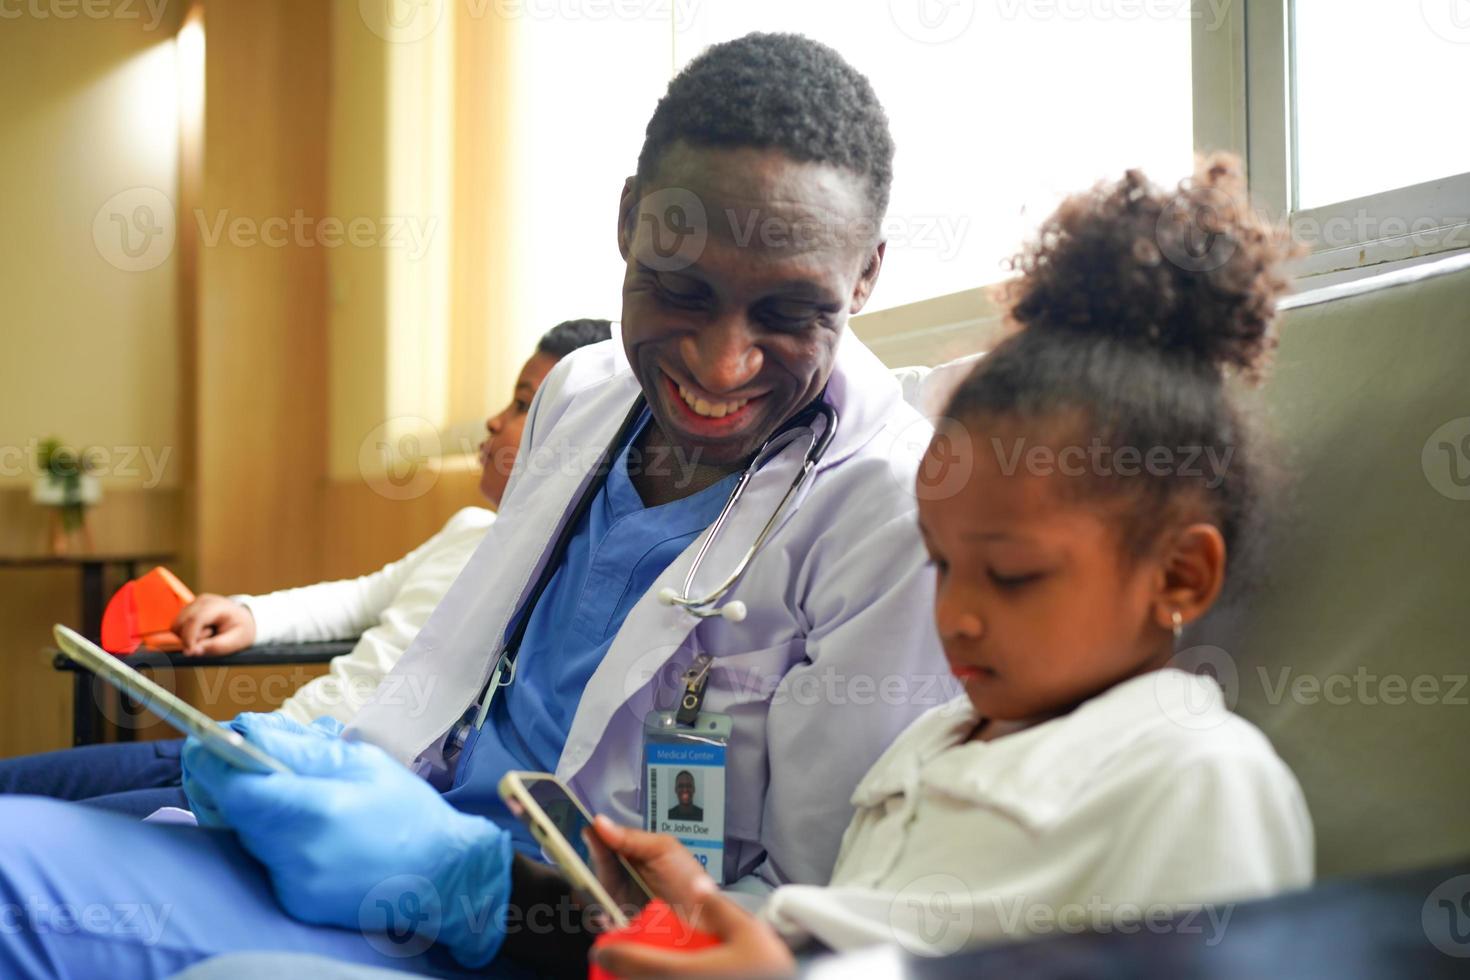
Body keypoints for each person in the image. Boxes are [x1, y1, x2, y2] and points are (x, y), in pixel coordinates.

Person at [0, 33, 948, 978]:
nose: (719, 362)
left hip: (546, 942)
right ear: (628, 221)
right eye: (678, 289)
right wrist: (331, 763)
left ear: (865, 275)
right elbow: (462, 676)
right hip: (385, 852)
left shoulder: (891, 515)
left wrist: (487, 890)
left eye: (789, 314)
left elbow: (811, 925)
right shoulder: (581, 393)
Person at [582, 156, 1315, 976]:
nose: (957, 615)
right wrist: (700, 913)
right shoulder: (929, 744)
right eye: (942, 566)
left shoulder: (1195, 778)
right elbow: (853, 933)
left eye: (1011, 577)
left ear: (1178, 577)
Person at [0, 318, 612, 817]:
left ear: (572, 432)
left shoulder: (556, 581)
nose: (493, 421)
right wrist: (247, 613)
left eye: (522, 404)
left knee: (40, 834)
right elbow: (358, 599)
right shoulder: (468, 532)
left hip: (307, 779)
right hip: (255, 735)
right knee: (14, 785)